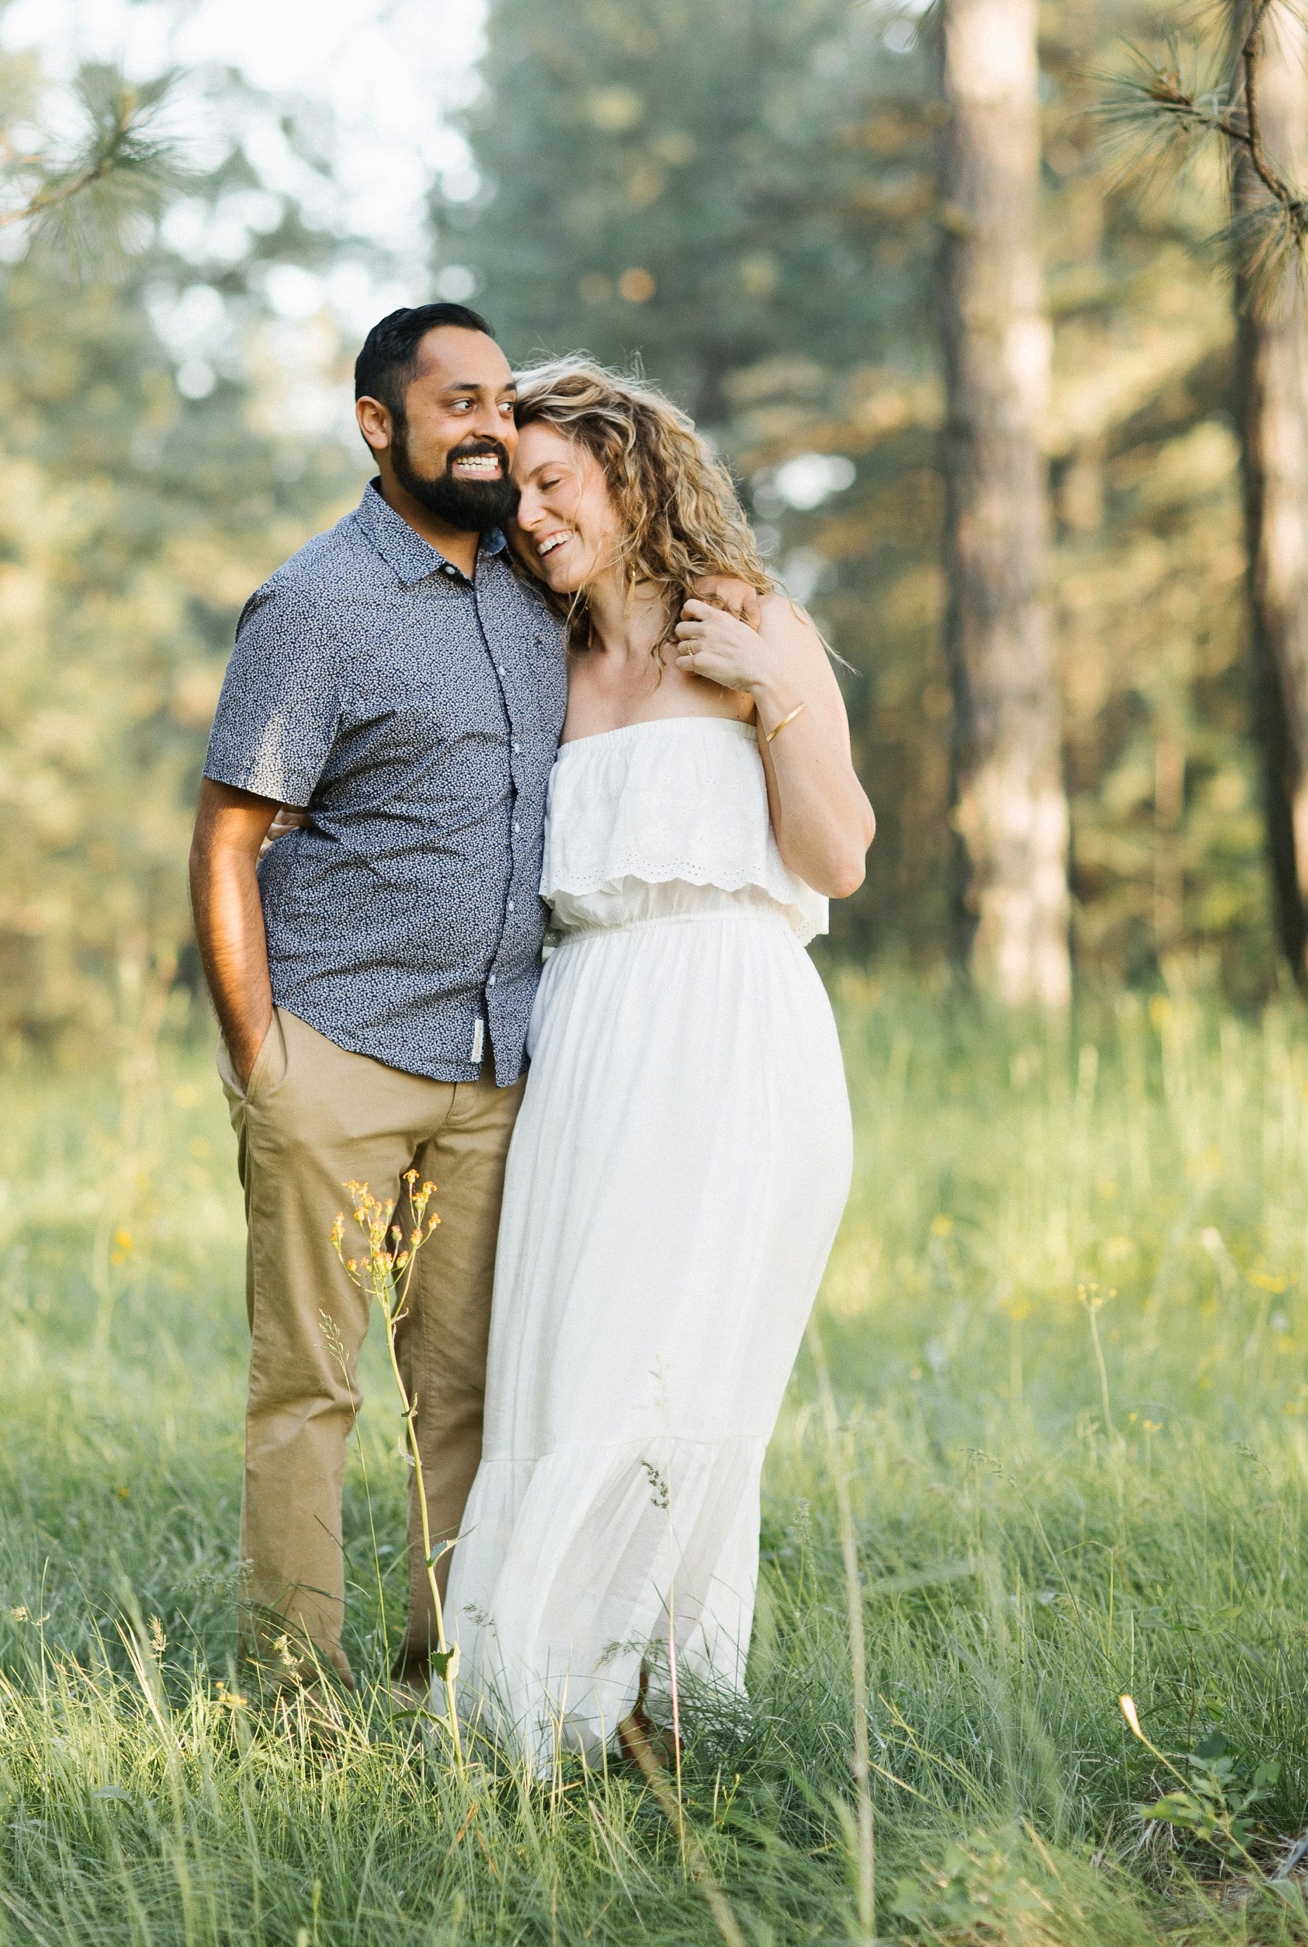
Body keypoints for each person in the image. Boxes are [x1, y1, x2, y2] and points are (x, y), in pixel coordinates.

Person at [189, 304, 755, 1708]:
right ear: (378, 424)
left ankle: (452, 1666)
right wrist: (265, 1059)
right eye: (454, 402)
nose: (489, 427)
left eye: (499, 400)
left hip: (506, 1068)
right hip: (337, 1051)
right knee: (308, 1393)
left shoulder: (533, 581)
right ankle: (294, 1699)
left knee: (474, 1402)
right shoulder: (312, 606)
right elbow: (225, 842)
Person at [441, 358, 874, 1769]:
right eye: (518, 497)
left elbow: (838, 857)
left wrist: (770, 697)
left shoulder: (754, 621)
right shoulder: (545, 661)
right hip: (592, 1026)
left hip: (738, 1019)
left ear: (632, 473)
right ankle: (534, 1707)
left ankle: (668, 1698)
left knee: (682, 1366)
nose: (536, 516)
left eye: (557, 482)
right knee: (570, 1365)